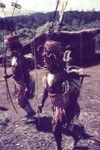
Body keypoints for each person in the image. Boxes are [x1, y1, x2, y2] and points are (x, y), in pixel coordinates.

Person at [38, 40, 69, 150]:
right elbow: (46, 90)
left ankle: (59, 148)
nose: (44, 61)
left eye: (46, 59)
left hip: (63, 107)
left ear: (53, 59)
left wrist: (67, 107)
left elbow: (69, 91)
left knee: (55, 130)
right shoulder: (47, 75)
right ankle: (75, 136)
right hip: (55, 106)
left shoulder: (62, 74)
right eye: (44, 59)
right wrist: (41, 103)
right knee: (61, 129)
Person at [5, 34, 36, 122]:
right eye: (9, 46)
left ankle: (31, 115)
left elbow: (26, 71)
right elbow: (16, 70)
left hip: (23, 83)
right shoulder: (14, 58)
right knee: (23, 99)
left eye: (10, 46)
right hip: (18, 82)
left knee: (20, 101)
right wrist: (9, 75)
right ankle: (30, 113)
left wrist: (26, 87)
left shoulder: (21, 58)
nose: (9, 48)